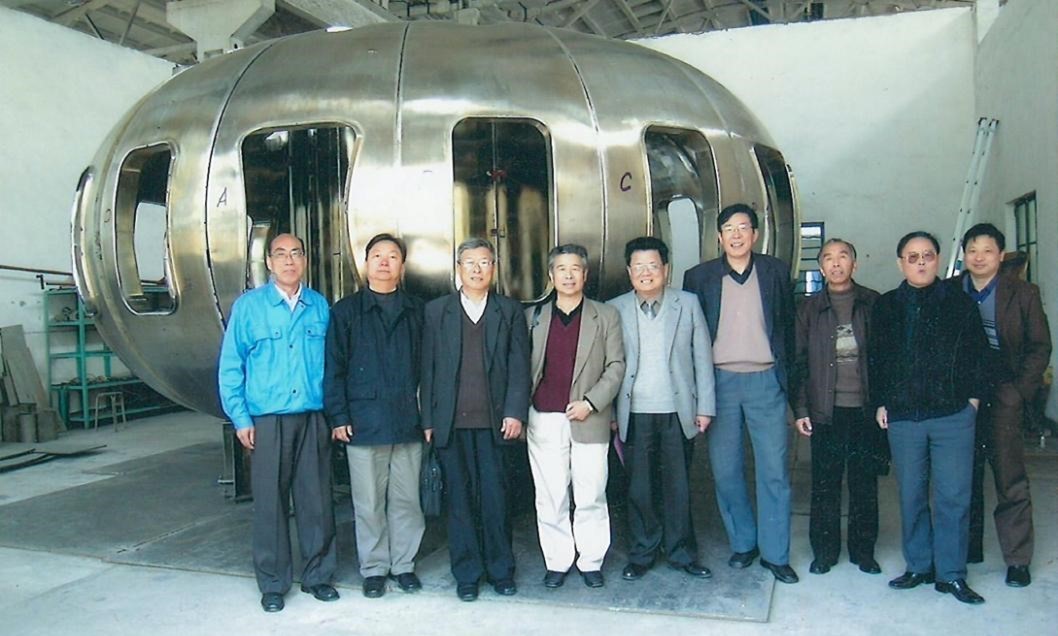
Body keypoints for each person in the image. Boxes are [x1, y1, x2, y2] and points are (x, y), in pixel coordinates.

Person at [217, 233, 338, 613]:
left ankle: (318, 575)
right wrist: (240, 418)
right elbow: (231, 366)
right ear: (269, 262)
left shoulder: (319, 306)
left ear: (305, 260)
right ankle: (273, 583)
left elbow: (334, 365)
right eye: (281, 254)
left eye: (296, 254)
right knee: (270, 503)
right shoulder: (249, 307)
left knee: (316, 501)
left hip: (312, 417)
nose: (289, 261)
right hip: (267, 420)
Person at [870, 231, 989, 605]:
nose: (920, 262)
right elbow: (876, 359)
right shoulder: (886, 306)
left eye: (927, 256)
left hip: (952, 416)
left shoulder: (959, 303)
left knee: (954, 496)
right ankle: (919, 566)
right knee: (911, 495)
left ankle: (951, 574)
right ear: (900, 264)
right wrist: (881, 403)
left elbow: (977, 354)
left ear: (938, 260)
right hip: (905, 417)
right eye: (912, 257)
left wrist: (972, 402)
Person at [682, 203, 798, 584]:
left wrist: (791, 390)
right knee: (725, 470)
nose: (736, 235)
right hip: (720, 383)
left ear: (755, 234)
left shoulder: (775, 271)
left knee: (774, 470)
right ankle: (743, 542)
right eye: (729, 229)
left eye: (743, 227)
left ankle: (776, 553)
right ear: (719, 237)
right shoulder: (699, 277)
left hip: (766, 381)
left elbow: (788, 329)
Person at [420, 238, 532, 602]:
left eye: (484, 262)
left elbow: (519, 366)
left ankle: (501, 571)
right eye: (470, 262)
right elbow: (428, 369)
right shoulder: (437, 311)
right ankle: (467, 574)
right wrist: (428, 419)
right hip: (451, 424)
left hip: (496, 423)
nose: (477, 269)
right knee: (460, 503)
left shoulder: (509, 310)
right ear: (458, 268)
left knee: (496, 500)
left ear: (494, 268)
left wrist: (515, 411)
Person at [324, 233, 426, 599]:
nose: (384, 262)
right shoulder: (346, 312)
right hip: (364, 422)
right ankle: (374, 568)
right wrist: (338, 416)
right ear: (365, 263)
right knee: (368, 502)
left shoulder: (418, 310)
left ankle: (404, 564)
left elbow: (429, 369)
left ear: (402, 265)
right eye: (377, 255)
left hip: (408, 420)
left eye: (392, 256)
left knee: (407, 499)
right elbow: (333, 368)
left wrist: (428, 417)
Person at [608, 236, 715, 582]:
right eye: (638, 266)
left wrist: (705, 407)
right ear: (629, 271)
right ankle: (642, 553)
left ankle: (681, 553)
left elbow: (702, 358)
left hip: (677, 410)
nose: (646, 272)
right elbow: (608, 365)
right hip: (634, 412)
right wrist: (610, 414)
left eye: (652, 265)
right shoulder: (615, 309)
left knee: (678, 486)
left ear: (666, 269)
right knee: (639, 488)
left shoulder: (687, 303)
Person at [956, 223, 1050, 588]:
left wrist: (1018, 392)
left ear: (1000, 255)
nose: (979, 257)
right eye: (972, 250)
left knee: (1009, 477)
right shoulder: (951, 290)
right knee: (963, 474)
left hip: (1004, 391)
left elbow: (1039, 347)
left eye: (987, 250)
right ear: (964, 255)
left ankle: (1017, 558)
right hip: (962, 394)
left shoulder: (1023, 293)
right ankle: (968, 548)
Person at [526, 244, 625, 589]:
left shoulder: (606, 315)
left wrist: (591, 402)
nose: (568, 276)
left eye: (575, 269)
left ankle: (591, 560)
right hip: (544, 416)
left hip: (589, 417)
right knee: (550, 494)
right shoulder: (534, 317)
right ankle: (557, 560)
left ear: (585, 274)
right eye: (561, 269)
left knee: (591, 492)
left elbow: (616, 365)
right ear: (551, 276)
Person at [793, 238, 887, 576]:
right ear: (821, 268)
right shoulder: (808, 308)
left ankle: (864, 552)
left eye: (843, 256)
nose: (836, 263)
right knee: (825, 484)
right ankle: (824, 552)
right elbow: (799, 362)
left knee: (864, 483)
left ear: (854, 264)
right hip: (825, 410)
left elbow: (886, 359)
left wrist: (884, 403)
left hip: (865, 409)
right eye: (829, 258)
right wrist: (801, 409)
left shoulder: (873, 303)